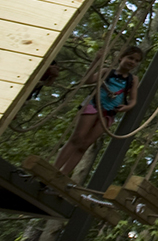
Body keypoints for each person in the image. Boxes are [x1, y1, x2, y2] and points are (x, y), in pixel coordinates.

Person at [54, 46, 143, 175]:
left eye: (136, 61)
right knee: (77, 138)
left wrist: (127, 107)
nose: (132, 62)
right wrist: (96, 61)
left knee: (84, 145)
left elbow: (133, 99)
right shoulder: (107, 72)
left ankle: (64, 173)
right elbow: (88, 80)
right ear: (121, 58)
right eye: (130, 58)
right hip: (94, 105)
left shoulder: (133, 79)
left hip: (109, 113)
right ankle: (54, 168)